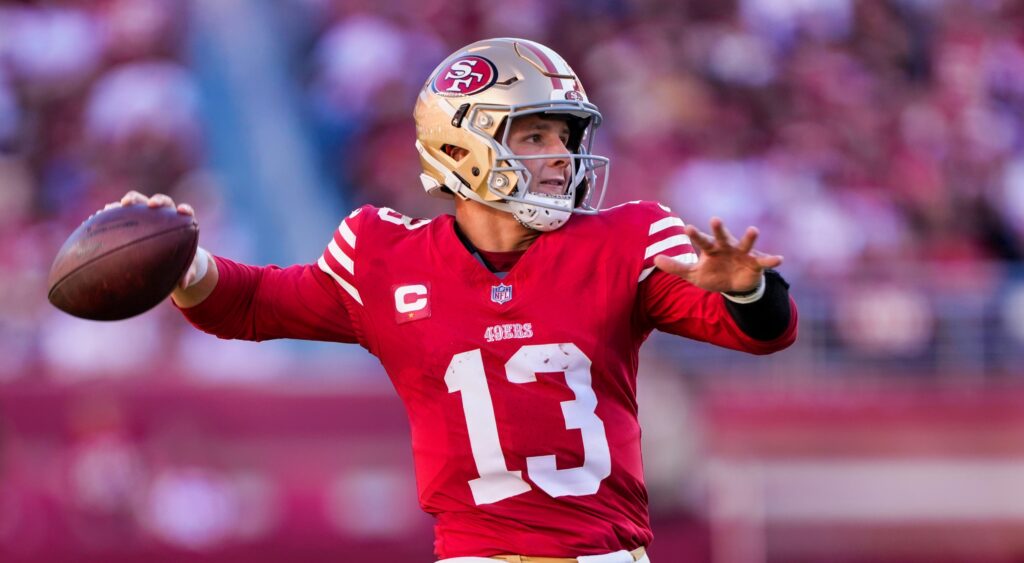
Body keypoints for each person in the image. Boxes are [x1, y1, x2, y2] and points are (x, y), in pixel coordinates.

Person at [114, 38, 797, 563]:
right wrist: (185, 261)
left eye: (565, 136)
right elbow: (254, 303)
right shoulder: (382, 255)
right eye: (535, 135)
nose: (561, 155)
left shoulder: (628, 238)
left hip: (604, 553)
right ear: (462, 145)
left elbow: (762, 332)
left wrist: (748, 288)